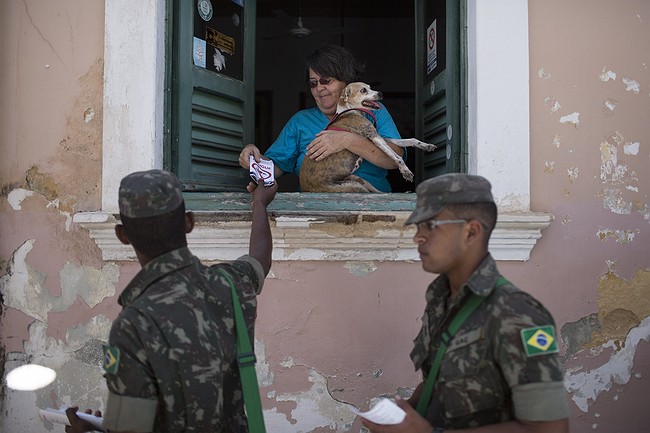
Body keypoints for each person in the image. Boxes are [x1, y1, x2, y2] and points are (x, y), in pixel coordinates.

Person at [65, 169, 277, 433]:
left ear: (122, 236)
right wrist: (259, 203)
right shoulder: (229, 284)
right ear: (189, 222)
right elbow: (259, 260)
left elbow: (130, 429)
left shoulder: (133, 325)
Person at [362, 173, 570, 433]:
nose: (418, 237)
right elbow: (438, 378)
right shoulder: (442, 298)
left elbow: (550, 429)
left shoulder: (518, 314)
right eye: (418, 227)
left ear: (471, 231)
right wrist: (405, 413)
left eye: (430, 226)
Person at [239, 44, 405, 192]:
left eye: (326, 80)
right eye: (313, 83)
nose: (319, 88)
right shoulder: (300, 122)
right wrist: (253, 159)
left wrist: (347, 140)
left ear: (346, 82)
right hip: (314, 211)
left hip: (373, 208)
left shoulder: (374, 111)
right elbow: (273, 168)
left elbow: (394, 160)